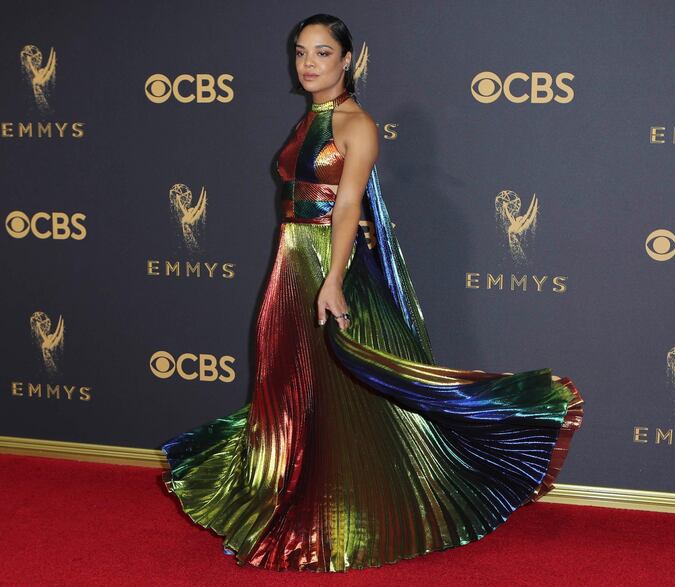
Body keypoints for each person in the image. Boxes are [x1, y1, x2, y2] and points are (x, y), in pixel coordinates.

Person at [161, 13, 584, 572]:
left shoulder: (356, 124)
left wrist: (332, 279)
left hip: (319, 262)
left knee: (333, 379)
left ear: (347, 61)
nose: (308, 63)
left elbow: (347, 206)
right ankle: (281, 490)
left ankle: (344, 505)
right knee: (286, 376)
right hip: (291, 257)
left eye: (322, 53)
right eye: (301, 52)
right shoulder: (310, 117)